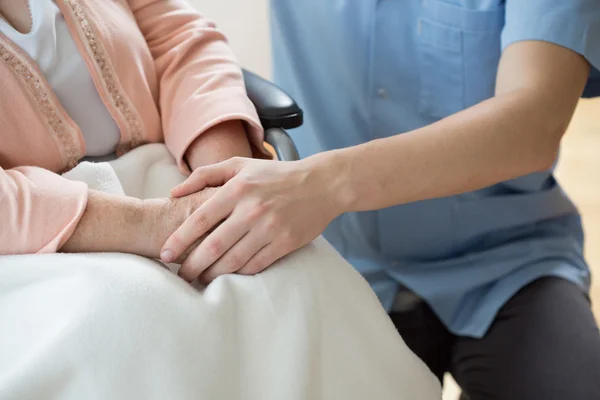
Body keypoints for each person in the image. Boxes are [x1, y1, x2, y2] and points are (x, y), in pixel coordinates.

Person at [162, 0, 600, 398]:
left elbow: (532, 125)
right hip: (336, 263)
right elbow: (164, 30)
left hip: (504, 262)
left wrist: (323, 184)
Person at [0, 0, 268, 257]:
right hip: (39, 249)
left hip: (175, 173)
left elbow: (179, 37)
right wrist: (157, 224)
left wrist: (225, 181)